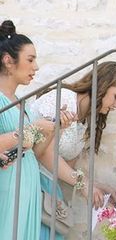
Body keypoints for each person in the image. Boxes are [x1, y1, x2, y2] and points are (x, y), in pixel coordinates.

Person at [30, 61, 116, 239]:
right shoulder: (62, 100)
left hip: (50, 190)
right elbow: (45, 153)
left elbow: (66, 168)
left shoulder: (87, 119)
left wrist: (97, 186)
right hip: (31, 184)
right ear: (102, 86)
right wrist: (84, 186)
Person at [0, 20, 55, 240]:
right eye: (30, 60)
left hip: (28, 183)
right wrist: (32, 129)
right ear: (8, 61)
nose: (36, 67)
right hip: (8, 184)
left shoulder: (21, 102)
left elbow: (34, 150)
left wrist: (52, 128)